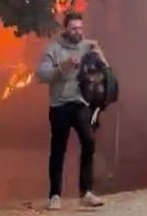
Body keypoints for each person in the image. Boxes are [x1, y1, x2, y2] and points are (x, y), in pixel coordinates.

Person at [34, 12, 108, 210]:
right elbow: (41, 75)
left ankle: (86, 192)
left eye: (80, 28)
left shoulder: (87, 47)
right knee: (58, 149)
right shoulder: (54, 49)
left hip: (81, 103)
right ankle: (55, 195)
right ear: (65, 29)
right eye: (74, 28)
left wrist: (99, 52)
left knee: (89, 141)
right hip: (59, 105)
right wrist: (62, 68)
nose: (78, 32)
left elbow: (105, 70)